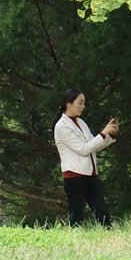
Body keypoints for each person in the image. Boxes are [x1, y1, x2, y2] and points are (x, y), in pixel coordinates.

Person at [52, 88, 118, 227]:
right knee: (76, 214)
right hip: (74, 175)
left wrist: (110, 135)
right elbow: (83, 149)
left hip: (90, 173)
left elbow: (93, 146)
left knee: (102, 212)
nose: (83, 106)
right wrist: (103, 132)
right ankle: (75, 243)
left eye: (84, 103)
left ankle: (110, 238)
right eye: (80, 103)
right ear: (68, 103)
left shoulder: (81, 122)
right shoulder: (61, 126)